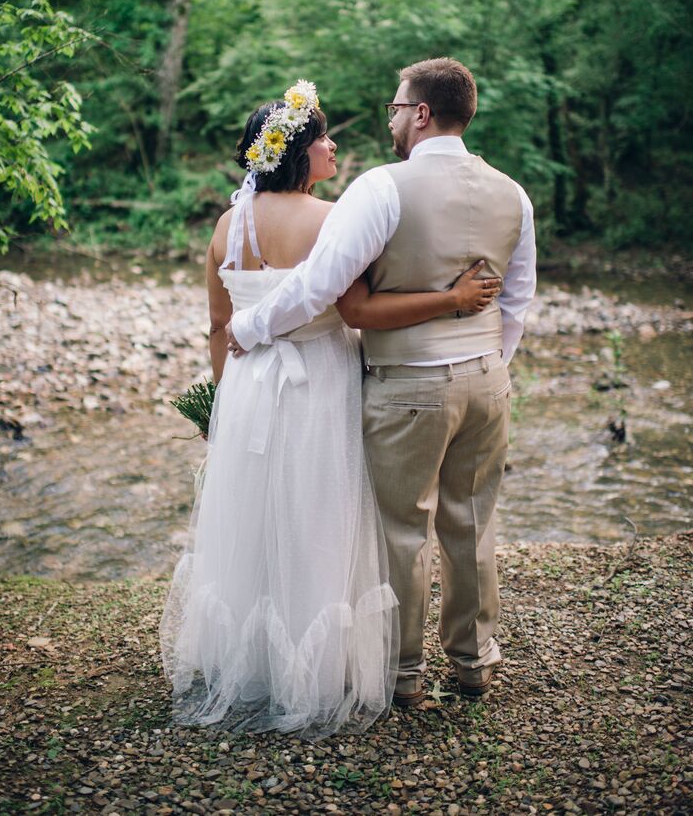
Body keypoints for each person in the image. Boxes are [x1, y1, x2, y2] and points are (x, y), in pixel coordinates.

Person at [160, 79, 502, 735]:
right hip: (321, 379)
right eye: (321, 137)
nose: (333, 143)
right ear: (297, 153)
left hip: (249, 385)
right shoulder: (332, 217)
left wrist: (222, 408)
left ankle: (257, 660)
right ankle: (324, 665)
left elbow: (216, 325)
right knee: (325, 516)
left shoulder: (228, 226)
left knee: (257, 520)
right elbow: (359, 309)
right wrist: (454, 300)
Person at [227, 58, 536, 705]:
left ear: (420, 114)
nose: (390, 119)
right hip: (486, 382)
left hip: (407, 387)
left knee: (401, 530)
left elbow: (321, 284)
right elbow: (515, 301)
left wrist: (251, 326)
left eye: (396, 109)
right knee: (471, 524)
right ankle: (473, 662)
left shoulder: (379, 189)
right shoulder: (514, 194)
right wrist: (488, 365)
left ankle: (401, 674)